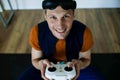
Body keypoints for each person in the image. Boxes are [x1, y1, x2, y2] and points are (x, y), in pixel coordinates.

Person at [18, 0, 104, 80]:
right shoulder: (37, 32)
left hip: (74, 67)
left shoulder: (84, 32)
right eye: (53, 17)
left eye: (66, 16)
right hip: (47, 67)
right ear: (45, 15)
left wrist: (79, 64)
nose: (60, 25)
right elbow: (35, 60)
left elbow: (86, 59)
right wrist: (41, 65)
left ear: (74, 13)